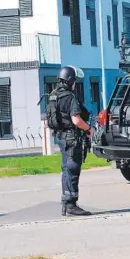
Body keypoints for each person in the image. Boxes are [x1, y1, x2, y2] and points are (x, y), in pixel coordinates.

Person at [47, 65, 95, 216]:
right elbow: (76, 119)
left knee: (66, 170)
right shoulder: (69, 97)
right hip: (71, 137)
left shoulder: (53, 95)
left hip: (60, 137)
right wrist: (88, 129)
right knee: (73, 169)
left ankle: (66, 202)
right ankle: (71, 204)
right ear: (70, 81)